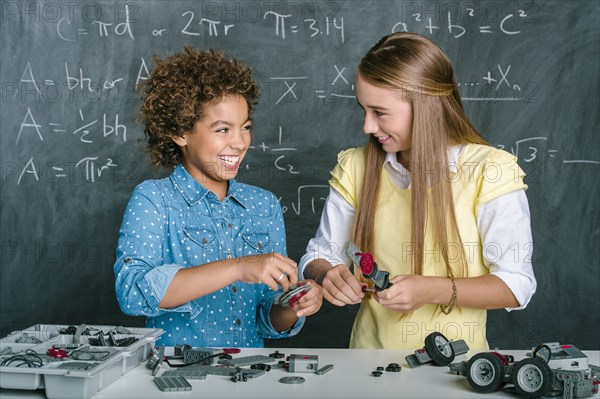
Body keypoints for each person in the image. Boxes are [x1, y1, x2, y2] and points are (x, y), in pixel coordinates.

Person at [298, 32, 536, 350]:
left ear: (426, 108)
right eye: (363, 110)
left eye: (380, 113)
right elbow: (319, 254)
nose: (367, 127)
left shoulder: (490, 171)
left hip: (458, 372)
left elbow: (515, 284)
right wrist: (327, 273)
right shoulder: (356, 166)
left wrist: (431, 289)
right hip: (365, 366)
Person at [114, 47, 322, 347]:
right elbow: (132, 293)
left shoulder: (264, 206)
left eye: (246, 128)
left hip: (247, 376)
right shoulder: (153, 200)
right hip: (176, 379)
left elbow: (266, 319)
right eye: (223, 129)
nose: (239, 143)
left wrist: (292, 305)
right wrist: (238, 267)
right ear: (180, 132)